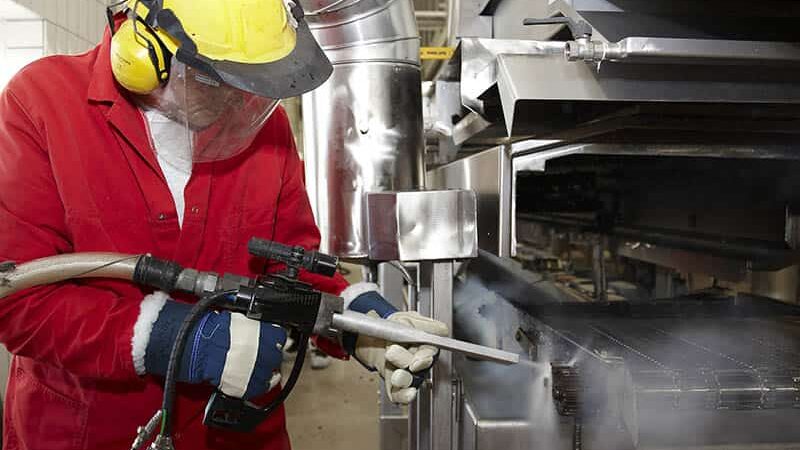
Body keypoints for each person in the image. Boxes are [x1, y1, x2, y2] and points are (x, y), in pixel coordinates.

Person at [0, 1, 447, 449]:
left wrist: (354, 322)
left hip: (236, 435)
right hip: (90, 430)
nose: (239, 99)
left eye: (253, 80)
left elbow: (290, 264)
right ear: (147, 53)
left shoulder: (262, 127)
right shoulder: (41, 103)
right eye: (219, 78)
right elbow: (19, 298)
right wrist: (175, 339)